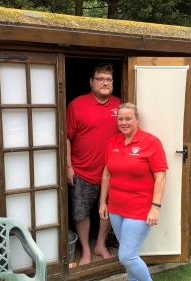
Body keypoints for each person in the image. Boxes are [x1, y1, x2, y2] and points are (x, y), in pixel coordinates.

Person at [99, 103, 168, 281]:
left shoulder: (151, 142)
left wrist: (155, 207)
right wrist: (102, 203)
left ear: (137, 119)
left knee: (127, 256)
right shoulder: (113, 142)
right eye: (120, 119)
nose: (124, 122)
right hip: (115, 208)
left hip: (139, 209)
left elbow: (160, 177)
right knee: (129, 255)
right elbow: (106, 174)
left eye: (128, 118)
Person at [66, 62, 120, 265]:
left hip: (112, 172)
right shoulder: (76, 105)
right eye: (100, 79)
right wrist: (68, 167)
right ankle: (86, 251)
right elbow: (67, 137)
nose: (105, 83)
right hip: (82, 171)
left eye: (108, 79)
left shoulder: (119, 105)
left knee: (108, 211)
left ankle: (100, 244)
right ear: (91, 82)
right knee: (81, 213)